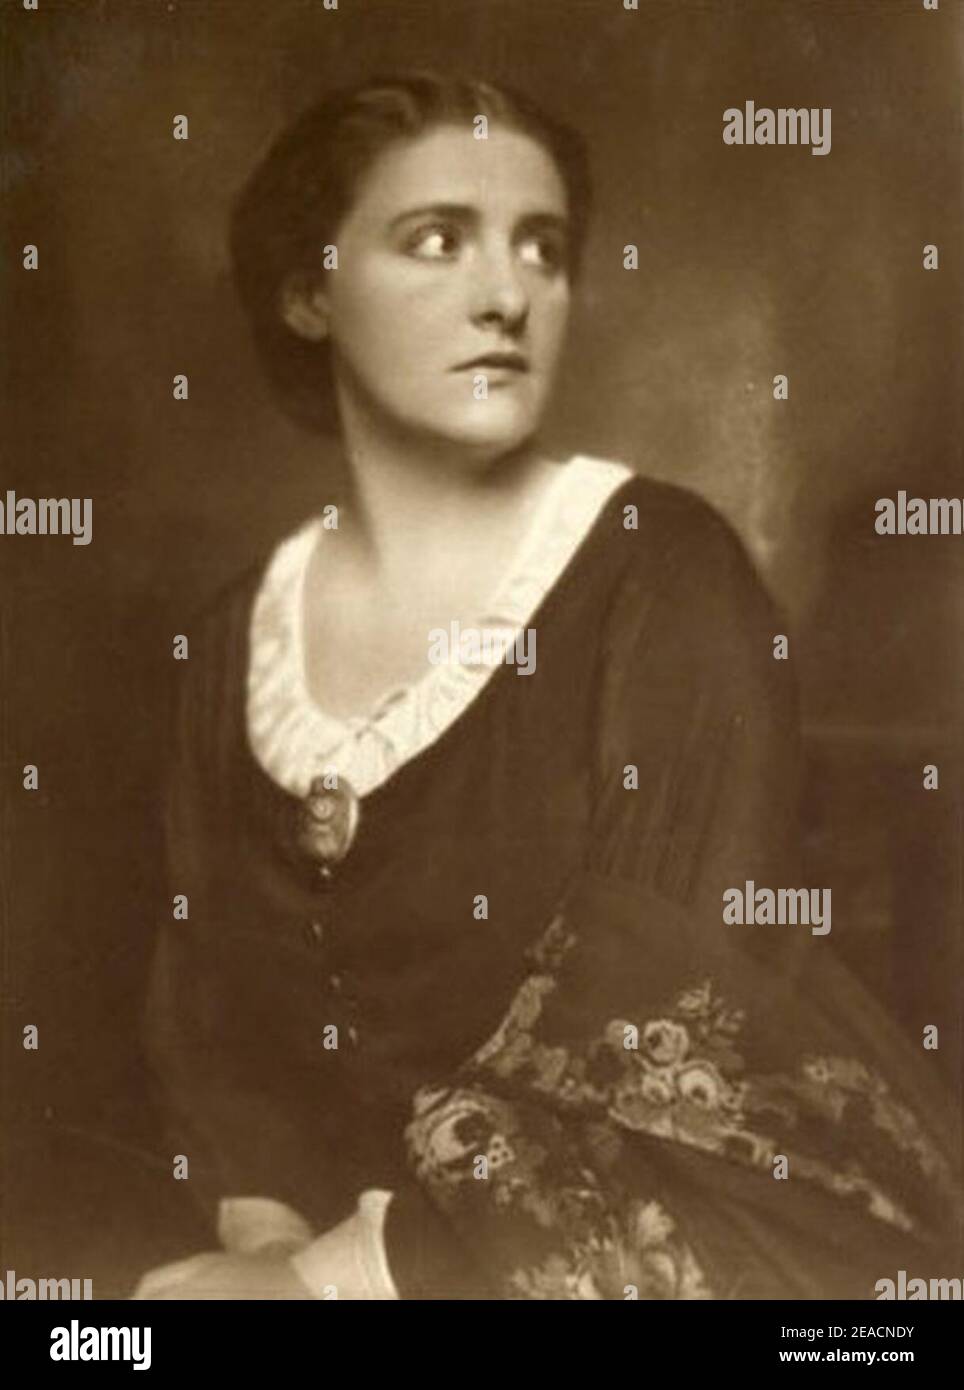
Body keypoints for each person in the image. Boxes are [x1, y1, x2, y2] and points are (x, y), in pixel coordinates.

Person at [133, 71, 962, 1300]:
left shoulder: (660, 575)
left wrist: (334, 1280)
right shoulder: (231, 642)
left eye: (541, 247)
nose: (507, 294)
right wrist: (260, 1240)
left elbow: (657, 1053)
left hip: (693, 1251)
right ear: (310, 292)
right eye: (437, 240)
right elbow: (215, 1016)